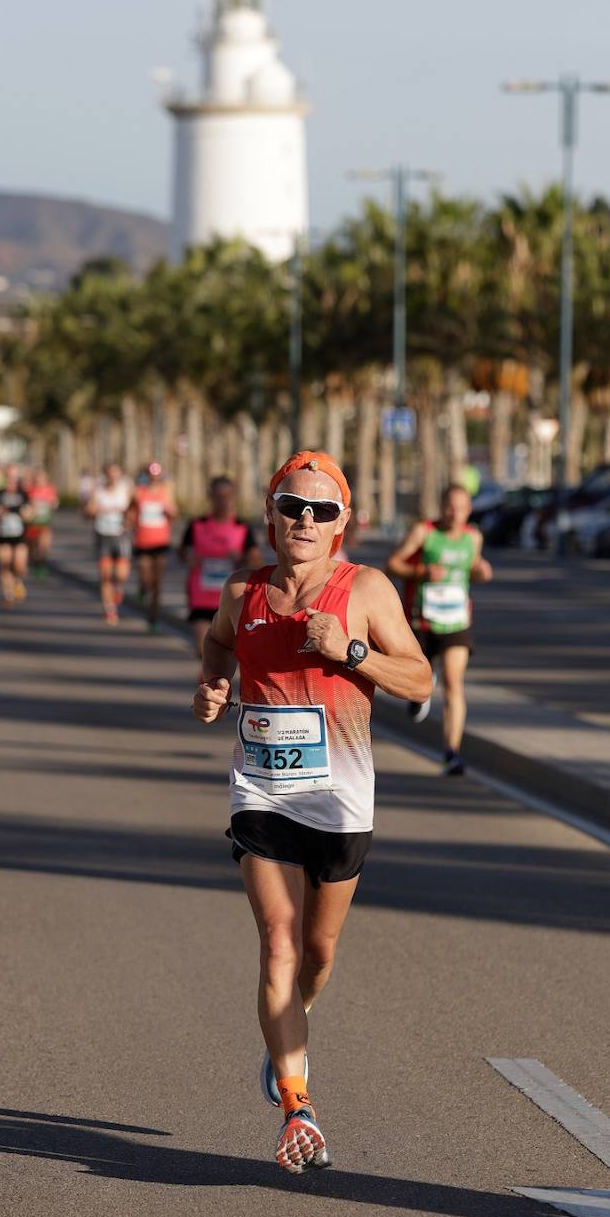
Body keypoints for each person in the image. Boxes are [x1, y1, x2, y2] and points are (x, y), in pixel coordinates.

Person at [192, 451, 431, 1176]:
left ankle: (290, 1029)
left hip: (340, 800)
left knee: (317, 957)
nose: (305, 520)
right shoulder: (243, 591)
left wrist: (351, 649)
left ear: (341, 524)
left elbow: (419, 679)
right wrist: (211, 685)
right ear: (270, 513)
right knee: (280, 942)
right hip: (262, 791)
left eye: (322, 510)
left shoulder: (365, 590)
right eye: (293, 505)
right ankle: (297, 1100)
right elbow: (215, 644)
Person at [386, 484, 493, 775]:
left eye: (461, 508)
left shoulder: (473, 538)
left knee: (454, 683)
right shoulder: (425, 532)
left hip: (456, 622)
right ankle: (421, 689)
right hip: (422, 620)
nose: (455, 513)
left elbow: (471, 566)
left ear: (469, 510)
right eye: (449, 507)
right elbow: (393, 563)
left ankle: (451, 753)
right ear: (441, 506)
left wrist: (481, 571)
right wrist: (422, 572)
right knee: (418, 680)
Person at [179, 476, 261, 661]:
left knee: (226, 656)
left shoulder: (242, 527)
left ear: (234, 497)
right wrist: (190, 558)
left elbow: (256, 562)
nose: (223, 500)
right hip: (201, 599)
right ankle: (207, 682)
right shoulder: (196, 525)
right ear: (211, 496)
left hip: (232, 601)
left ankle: (211, 683)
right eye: (218, 496)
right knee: (204, 652)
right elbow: (182, 553)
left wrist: (241, 558)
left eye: (227, 496)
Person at [128, 461, 177, 631]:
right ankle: (142, 588)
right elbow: (131, 512)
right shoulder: (138, 493)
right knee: (146, 577)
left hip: (161, 542)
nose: (154, 480)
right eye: (151, 476)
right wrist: (129, 522)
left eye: (157, 477)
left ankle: (153, 619)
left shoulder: (166, 493)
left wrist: (170, 512)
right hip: (142, 541)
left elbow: (174, 514)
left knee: (157, 584)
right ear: (147, 476)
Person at [85, 463, 133, 625]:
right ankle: (110, 609)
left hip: (121, 536)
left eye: (116, 474)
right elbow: (87, 512)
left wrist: (129, 520)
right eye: (110, 474)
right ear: (105, 475)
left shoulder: (125, 490)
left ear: (120, 475)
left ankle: (118, 590)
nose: (113, 477)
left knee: (121, 574)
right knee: (105, 575)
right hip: (103, 535)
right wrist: (93, 510)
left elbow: (133, 511)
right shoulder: (98, 491)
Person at [0, 465, 33, 607]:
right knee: (4, 564)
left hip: (19, 535)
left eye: (14, 477)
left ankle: (18, 582)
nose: (11, 480)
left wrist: (25, 514)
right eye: (9, 477)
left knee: (19, 565)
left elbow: (30, 514)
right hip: (4, 534)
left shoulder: (23, 494)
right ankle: (8, 593)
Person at [25, 467, 59, 577]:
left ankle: (41, 565)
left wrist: (52, 503)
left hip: (44, 524)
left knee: (44, 547)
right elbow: (25, 505)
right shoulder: (30, 490)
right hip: (32, 524)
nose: (40, 480)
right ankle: (34, 562)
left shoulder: (50, 489)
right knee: (33, 548)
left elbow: (55, 503)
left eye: (42, 478)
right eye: (38, 478)